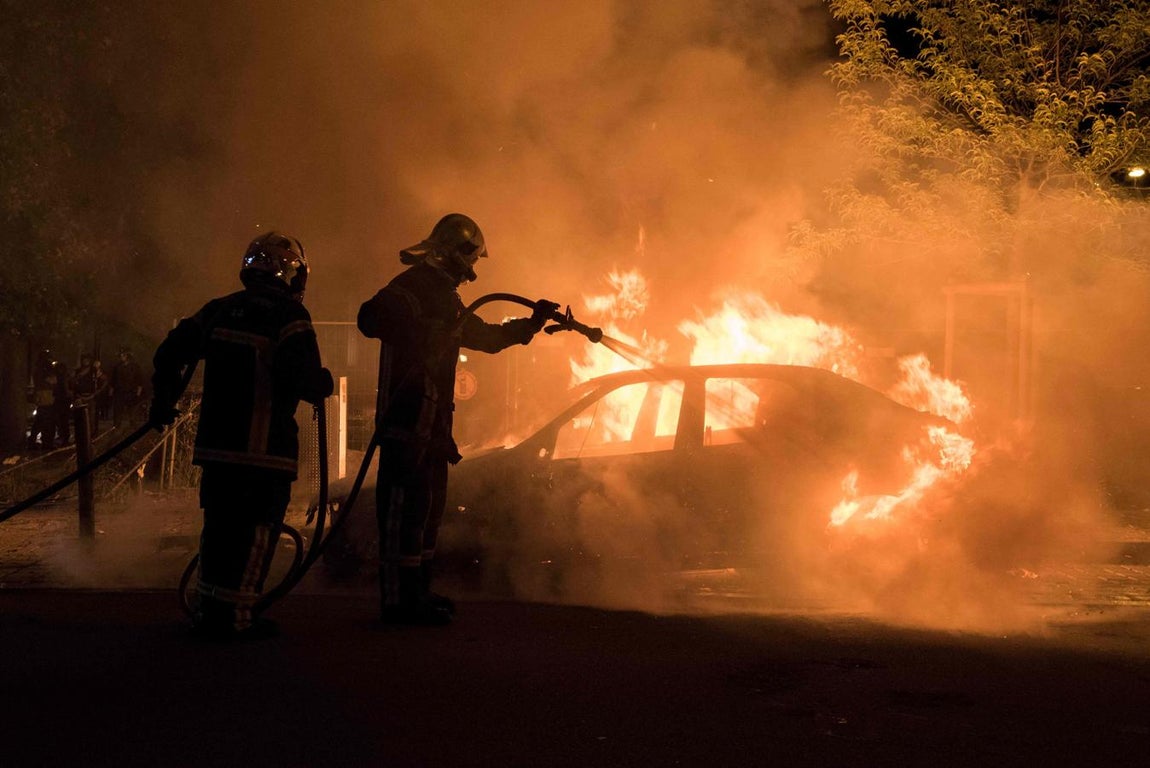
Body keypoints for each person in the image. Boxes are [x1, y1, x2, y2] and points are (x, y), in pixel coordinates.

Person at [357, 213, 558, 626]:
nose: (473, 271)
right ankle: (397, 604)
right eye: (471, 260)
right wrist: (424, 331)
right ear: (454, 253)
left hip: (433, 427)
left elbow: (483, 337)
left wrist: (532, 324)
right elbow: (369, 318)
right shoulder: (411, 286)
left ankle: (418, 595)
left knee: (427, 513)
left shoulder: (446, 296)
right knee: (403, 514)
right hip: (406, 420)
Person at [149, 231, 333, 641]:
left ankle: (210, 612)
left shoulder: (219, 310)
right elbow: (301, 379)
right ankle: (237, 619)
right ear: (290, 272)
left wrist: (161, 402)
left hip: (217, 450)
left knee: (218, 530)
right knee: (254, 534)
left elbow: (169, 353)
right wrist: (322, 383)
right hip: (264, 453)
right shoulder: (289, 317)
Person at [72, 354, 109, 427]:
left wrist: (98, 391)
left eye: (87, 359)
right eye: (84, 359)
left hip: (91, 397)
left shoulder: (94, 370)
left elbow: (105, 380)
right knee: (80, 418)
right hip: (80, 397)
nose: (86, 361)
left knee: (91, 418)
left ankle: (91, 434)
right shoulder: (78, 371)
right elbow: (73, 380)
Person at [110, 348, 145, 426]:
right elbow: (113, 380)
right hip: (119, 392)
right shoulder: (117, 367)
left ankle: (133, 425)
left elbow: (140, 380)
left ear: (127, 356)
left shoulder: (135, 367)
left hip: (131, 392)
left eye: (123, 355)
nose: (122, 357)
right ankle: (116, 425)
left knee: (132, 410)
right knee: (118, 410)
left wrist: (138, 393)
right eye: (121, 355)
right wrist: (111, 391)